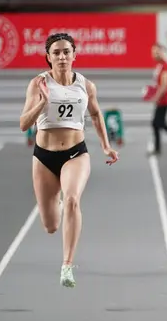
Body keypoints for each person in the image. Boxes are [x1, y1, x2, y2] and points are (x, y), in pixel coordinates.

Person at [19, 32, 119, 288]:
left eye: (66, 51)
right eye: (56, 53)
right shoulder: (38, 84)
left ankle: (67, 265)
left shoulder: (86, 86)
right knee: (51, 225)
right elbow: (23, 124)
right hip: (44, 157)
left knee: (73, 200)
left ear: (74, 55)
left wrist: (106, 146)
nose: (62, 56)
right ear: (48, 58)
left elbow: (96, 115)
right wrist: (41, 105)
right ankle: (59, 204)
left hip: (76, 152)